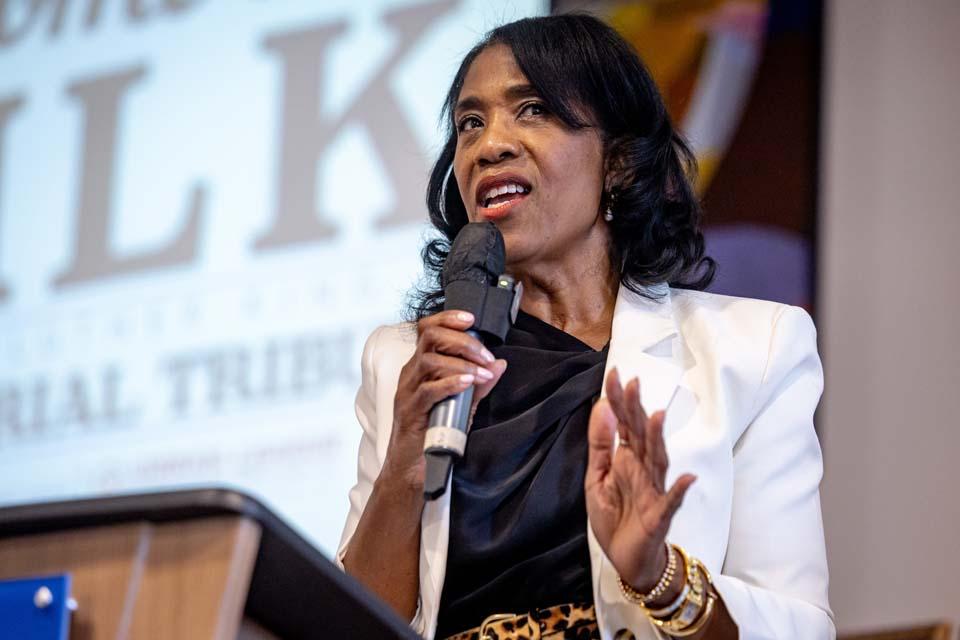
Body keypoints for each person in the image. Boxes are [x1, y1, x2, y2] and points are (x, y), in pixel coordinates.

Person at [338, 13, 832, 640]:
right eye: (469, 122)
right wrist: (405, 462)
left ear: (620, 163)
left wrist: (659, 575)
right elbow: (350, 625)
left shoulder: (752, 349)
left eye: (533, 110)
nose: (490, 144)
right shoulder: (405, 363)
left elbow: (800, 628)